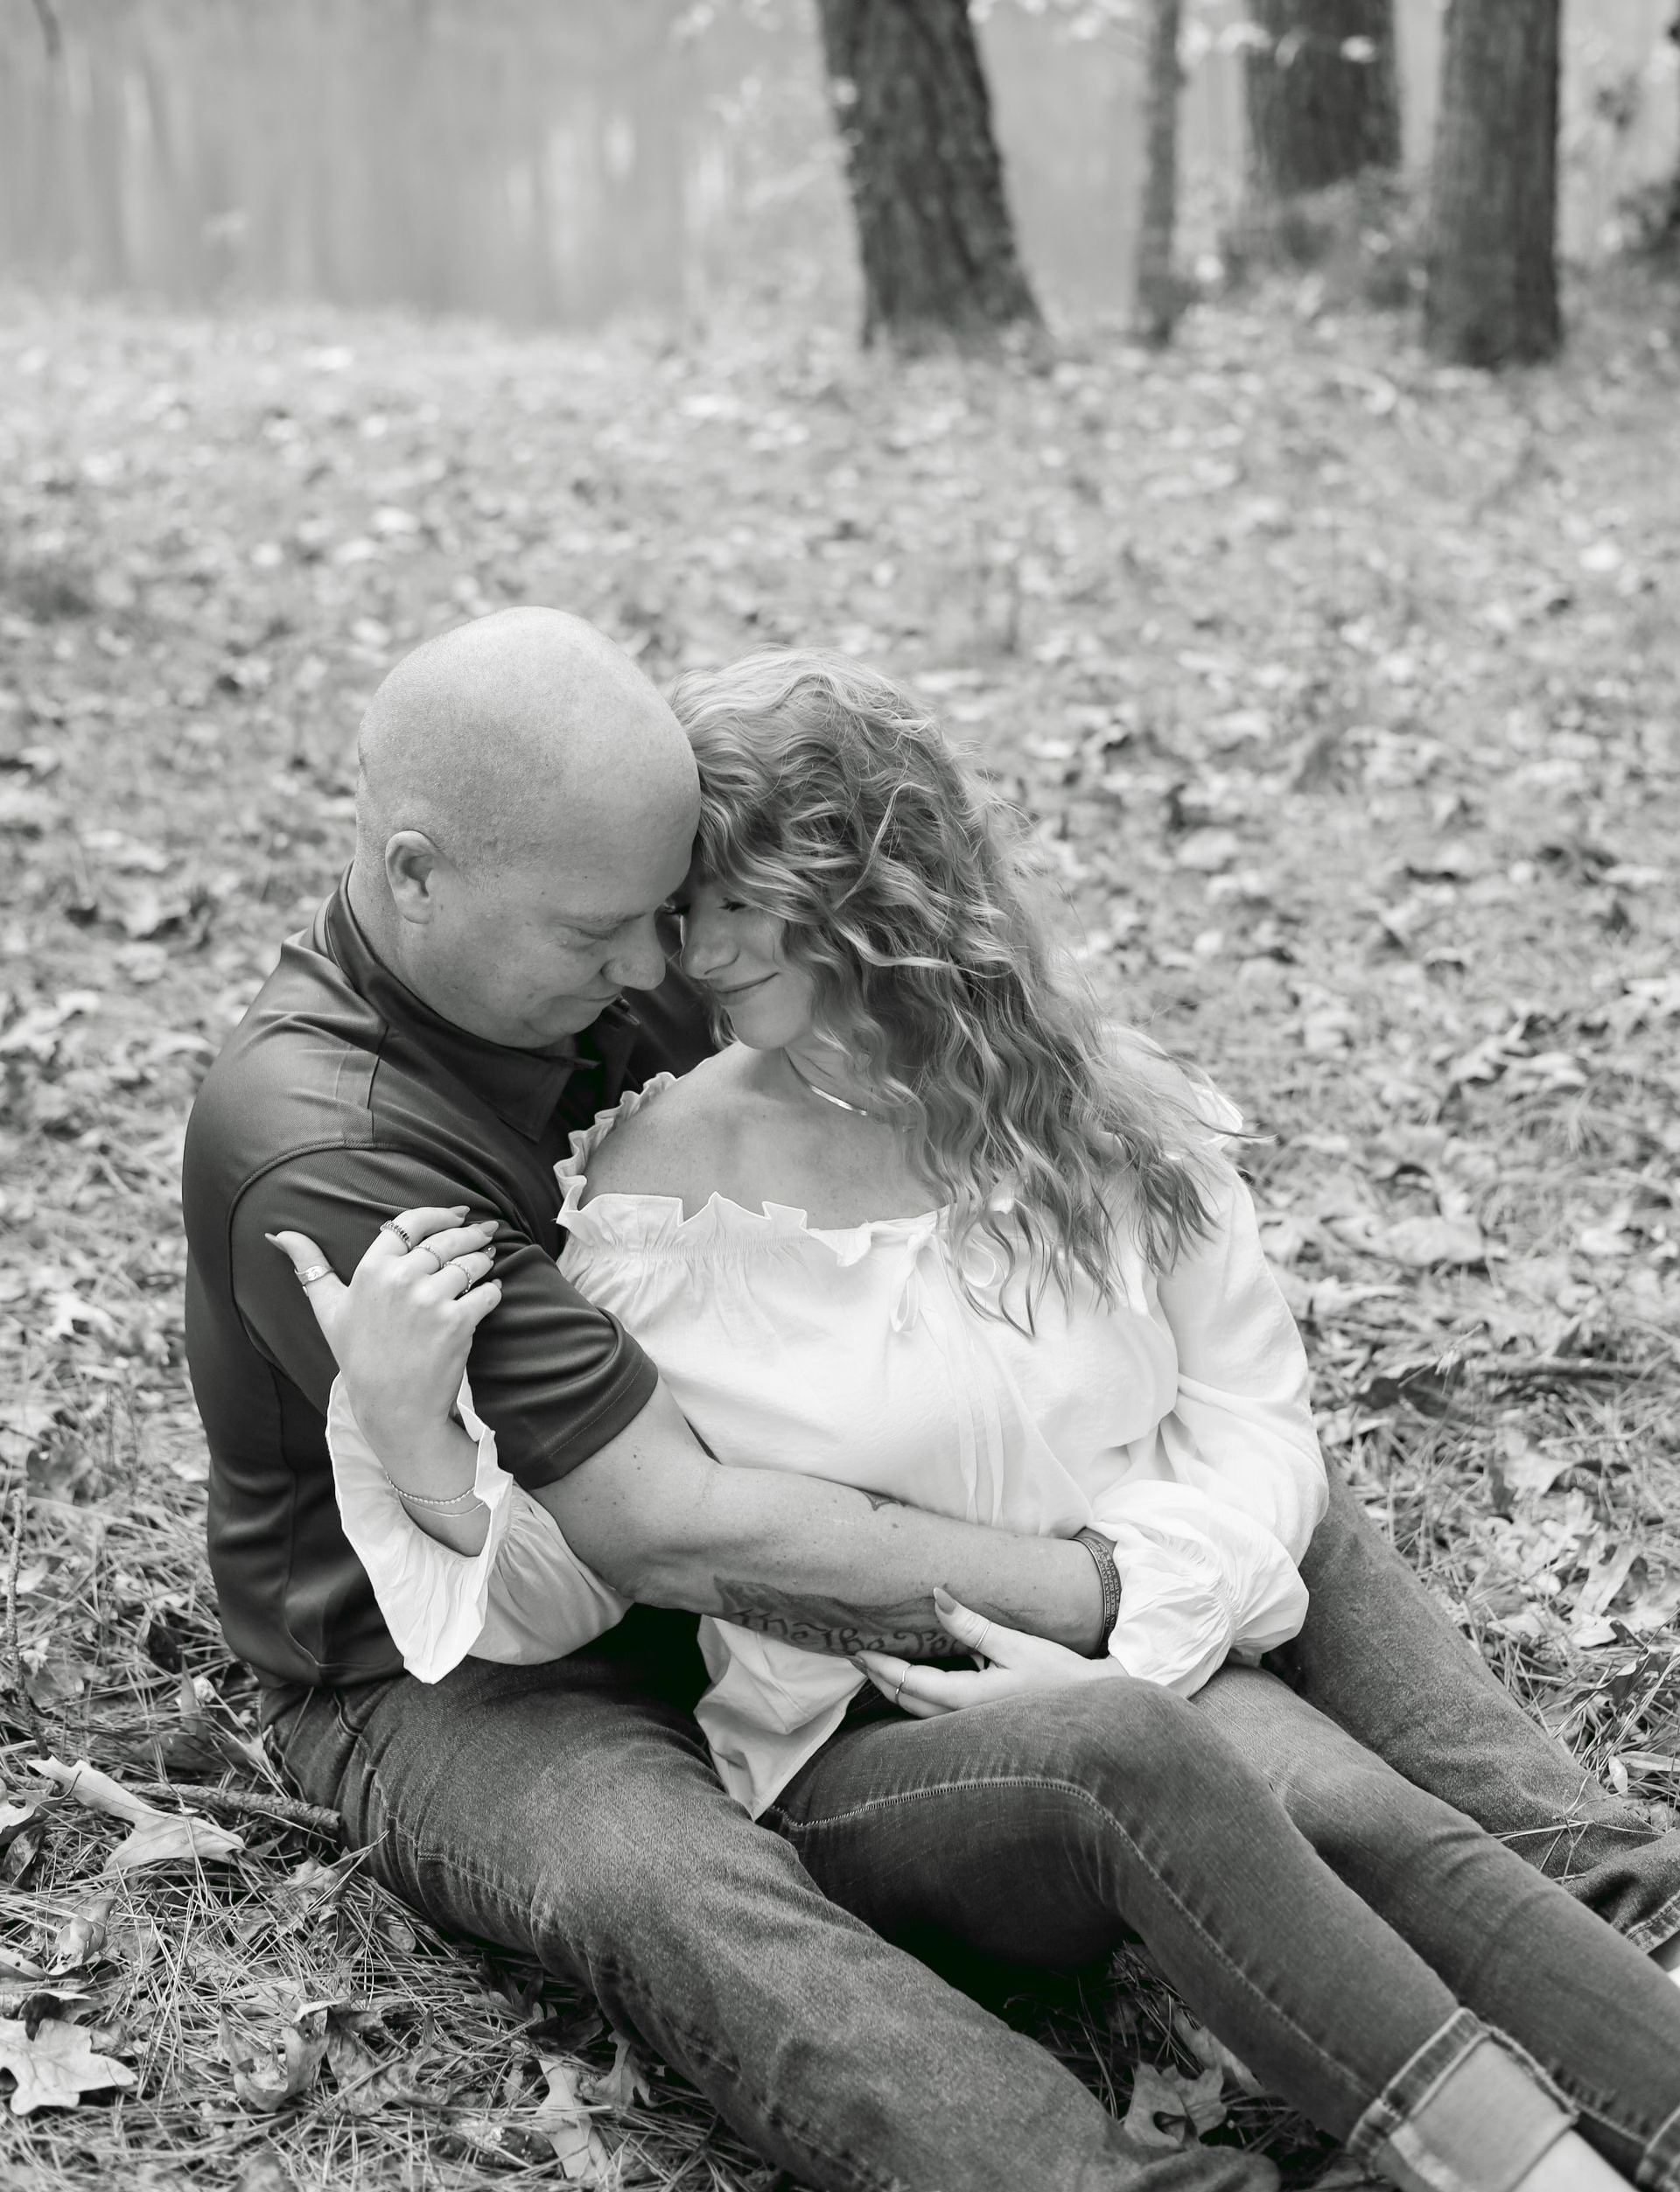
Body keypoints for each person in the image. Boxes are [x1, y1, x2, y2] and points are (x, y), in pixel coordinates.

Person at [184, 610, 1680, 2192]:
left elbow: (913, 995)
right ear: (418, 877)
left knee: (1243, 1475)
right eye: (605, 934)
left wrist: (1158, 1552)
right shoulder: (329, 1146)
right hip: (451, 1654)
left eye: (679, 909)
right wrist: (1100, 1593)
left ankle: (1593, 1897)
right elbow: (653, 1528)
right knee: (664, 1876)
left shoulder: (642, 948)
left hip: (763, 1559)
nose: (659, 971)